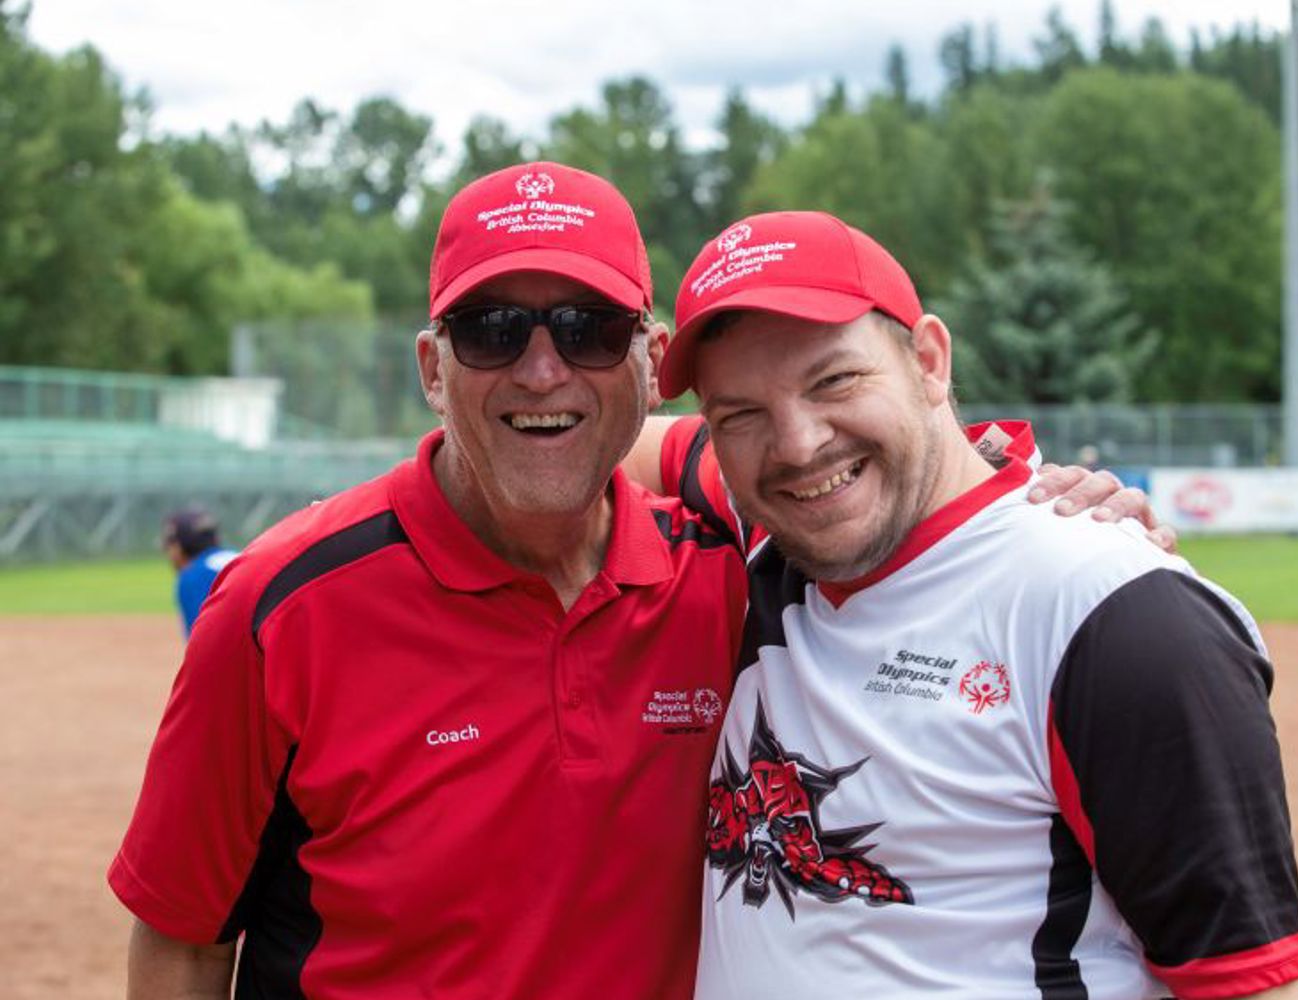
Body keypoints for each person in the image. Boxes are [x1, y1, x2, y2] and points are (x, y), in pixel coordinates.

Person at [109, 164, 1153, 1000]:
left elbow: (848, 466)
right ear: (432, 368)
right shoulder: (280, 606)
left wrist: (1023, 497)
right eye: (491, 330)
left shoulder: (727, 569)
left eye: (588, 329)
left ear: (652, 365)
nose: (542, 368)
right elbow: (184, 938)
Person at [654, 211, 1298, 999]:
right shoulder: (764, 538)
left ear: (929, 361)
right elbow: (583, 445)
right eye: (741, 413)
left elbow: (1252, 984)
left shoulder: (1114, 615)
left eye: (835, 381)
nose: (797, 445)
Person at [160, 505, 238, 637]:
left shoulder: (191, 577)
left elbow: (203, 642)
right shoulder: (242, 556)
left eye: (169, 546)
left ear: (179, 547)